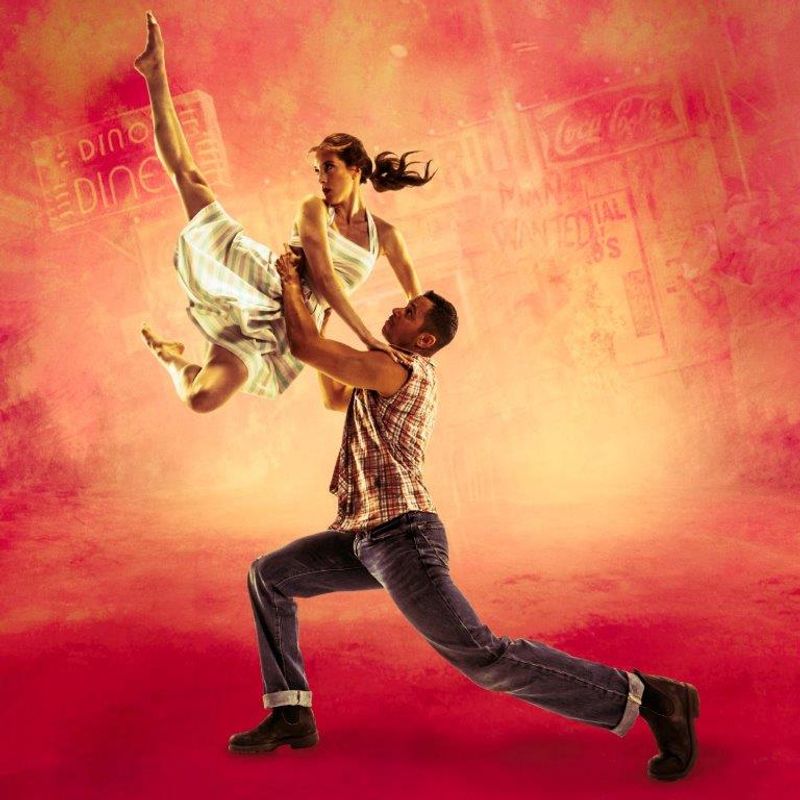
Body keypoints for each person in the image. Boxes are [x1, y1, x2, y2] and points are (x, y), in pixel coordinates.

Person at [228, 251, 701, 783]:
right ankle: (291, 712)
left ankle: (652, 697)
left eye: (408, 312)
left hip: (403, 538)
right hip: (364, 538)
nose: (396, 310)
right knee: (269, 575)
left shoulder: (397, 367)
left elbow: (305, 347)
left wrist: (294, 280)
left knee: (483, 656)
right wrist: (320, 305)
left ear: (424, 339)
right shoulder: (381, 370)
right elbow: (330, 387)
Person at [133, 12, 434, 411]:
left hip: (295, 321)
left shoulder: (388, 237)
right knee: (189, 178)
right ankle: (155, 74)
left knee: (201, 398)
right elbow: (325, 278)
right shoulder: (314, 209)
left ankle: (171, 357)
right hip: (262, 284)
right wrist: (365, 336)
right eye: (317, 169)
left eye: (329, 167)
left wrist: (415, 362)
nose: (321, 178)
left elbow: (422, 304)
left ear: (355, 170)